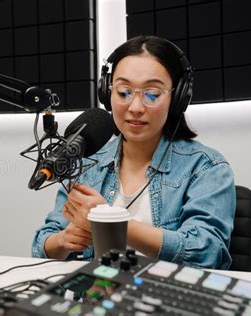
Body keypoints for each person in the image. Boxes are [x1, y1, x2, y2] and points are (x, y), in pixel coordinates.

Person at [31, 35, 235, 269]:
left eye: (152, 94)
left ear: (178, 97)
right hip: (93, 298)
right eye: (124, 92)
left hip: (163, 300)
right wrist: (63, 241)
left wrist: (109, 221)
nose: (135, 108)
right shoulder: (87, 162)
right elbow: (41, 245)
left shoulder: (207, 168)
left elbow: (207, 252)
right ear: (107, 94)